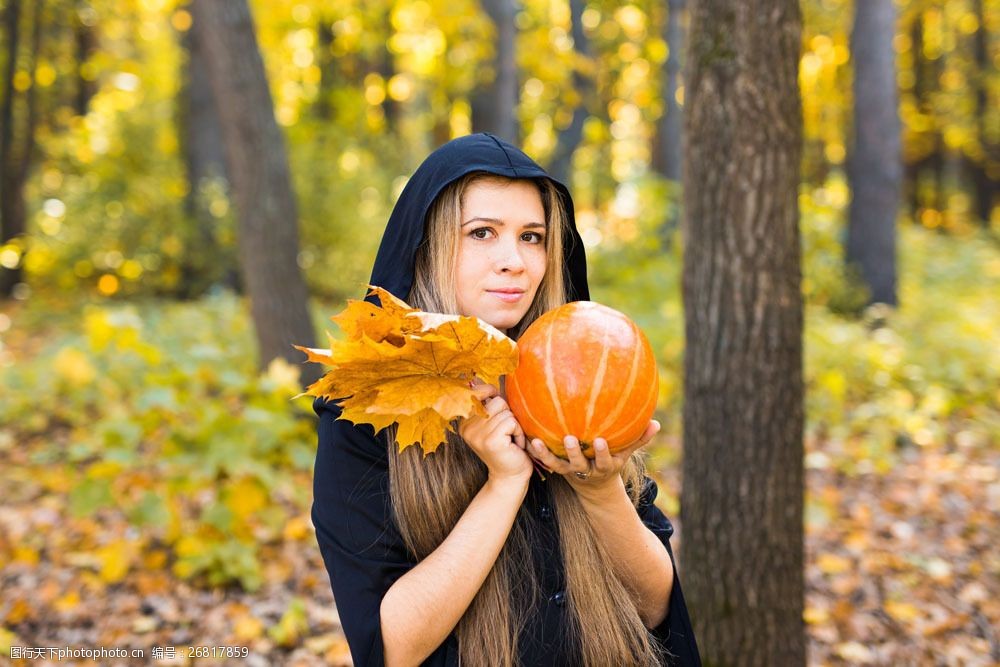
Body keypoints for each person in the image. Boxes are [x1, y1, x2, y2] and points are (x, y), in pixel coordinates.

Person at [311, 133, 701, 667]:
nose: (513, 261)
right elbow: (391, 649)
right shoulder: (366, 412)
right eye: (482, 233)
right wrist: (505, 484)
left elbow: (657, 612)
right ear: (426, 247)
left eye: (533, 237)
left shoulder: (585, 376)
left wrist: (601, 488)